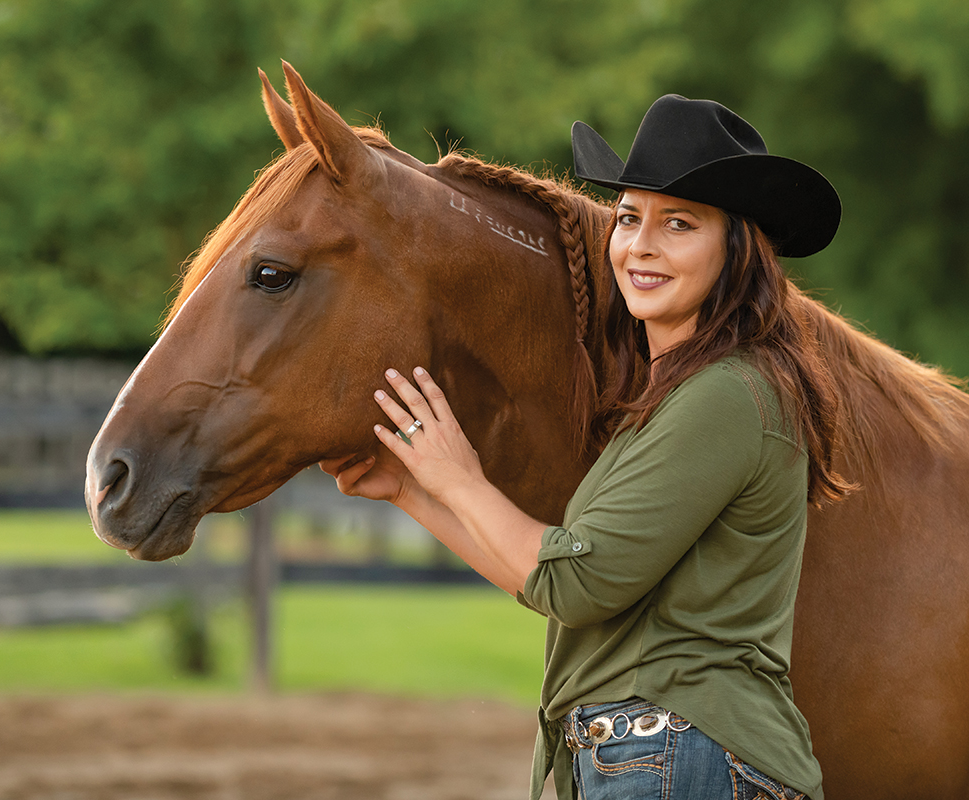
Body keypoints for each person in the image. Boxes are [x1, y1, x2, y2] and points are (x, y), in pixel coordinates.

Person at [321, 94, 849, 800]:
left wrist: (460, 479)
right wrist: (414, 490)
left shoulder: (732, 393)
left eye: (679, 224)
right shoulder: (673, 398)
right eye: (629, 218)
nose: (641, 245)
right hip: (663, 758)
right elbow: (555, 583)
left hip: (685, 758)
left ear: (737, 251)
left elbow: (576, 582)